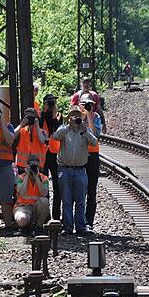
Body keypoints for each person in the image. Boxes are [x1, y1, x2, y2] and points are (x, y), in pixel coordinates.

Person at [51, 106, 98, 236]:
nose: (76, 117)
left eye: (78, 115)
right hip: (65, 169)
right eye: (73, 115)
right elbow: (56, 136)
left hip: (80, 170)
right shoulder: (64, 129)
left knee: (80, 201)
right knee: (66, 200)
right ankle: (68, 226)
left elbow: (94, 143)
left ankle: (81, 226)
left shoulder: (85, 130)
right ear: (69, 117)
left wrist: (85, 130)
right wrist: (68, 126)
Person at [80, 94, 103, 232]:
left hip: (93, 156)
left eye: (90, 104)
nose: (88, 106)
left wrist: (89, 116)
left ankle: (89, 221)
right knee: (79, 191)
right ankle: (79, 220)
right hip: (80, 155)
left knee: (91, 191)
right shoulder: (75, 115)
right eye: (85, 104)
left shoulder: (96, 117)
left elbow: (95, 134)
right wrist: (82, 115)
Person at [39, 93, 63, 220]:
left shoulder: (58, 116)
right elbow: (40, 126)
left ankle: (56, 216)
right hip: (43, 155)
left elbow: (57, 130)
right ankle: (46, 216)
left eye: (52, 102)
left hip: (55, 154)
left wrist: (54, 115)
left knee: (57, 187)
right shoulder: (41, 116)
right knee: (44, 187)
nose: (51, 105)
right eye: (49, 102)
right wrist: (44, 112)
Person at [14, 154, 50, 234]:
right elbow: (22, 193)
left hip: (36, 207)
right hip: (23, 206)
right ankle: (27, 226)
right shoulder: (21, 178)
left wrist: (37, 177)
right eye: (32, 166)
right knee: (22, 220)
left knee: (45, 201)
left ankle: (38, 226)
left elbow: (44, 193)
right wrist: (27, 176)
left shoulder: (43, 178)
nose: (34, 168)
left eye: (36, 166)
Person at [13, 107, 48, 172]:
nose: (29, 119)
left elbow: (42, 140)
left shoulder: (42, 132)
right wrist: (21, 125)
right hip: (22, 166)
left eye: (32, 117)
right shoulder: (21, 130)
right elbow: (12, 136)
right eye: (27, 117)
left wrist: (37, 127)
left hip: (37, 165)